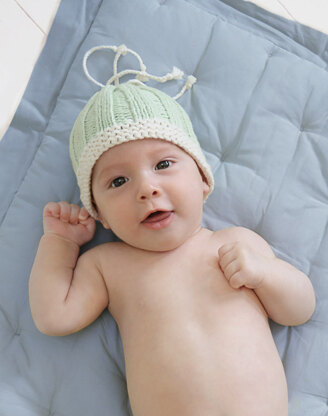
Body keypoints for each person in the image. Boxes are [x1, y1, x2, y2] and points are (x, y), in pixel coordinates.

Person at [29, 45, 315, 416]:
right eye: (118, 181)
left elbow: (299, 310)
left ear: (202, 179)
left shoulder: (234, 243)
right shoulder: (107, 265)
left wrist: (266, 274)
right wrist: (60, 243)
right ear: (100, 214)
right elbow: (54, 317)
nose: (146, 189)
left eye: (163, 163)